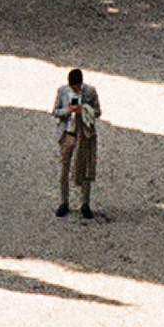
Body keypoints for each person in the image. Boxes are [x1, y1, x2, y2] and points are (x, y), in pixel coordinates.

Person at [52, 66, 101, 218]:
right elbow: (55, 111)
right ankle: (63, 202)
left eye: (77, 86)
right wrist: (68, 111)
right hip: (68, 133)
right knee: (64, 169)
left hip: (84, 134)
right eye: (73, 87)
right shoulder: (62, 92)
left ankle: (85, 203)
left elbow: (97, 112)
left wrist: (84, 110)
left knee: (85, 168)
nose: (76, 89)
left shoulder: (90, 92)